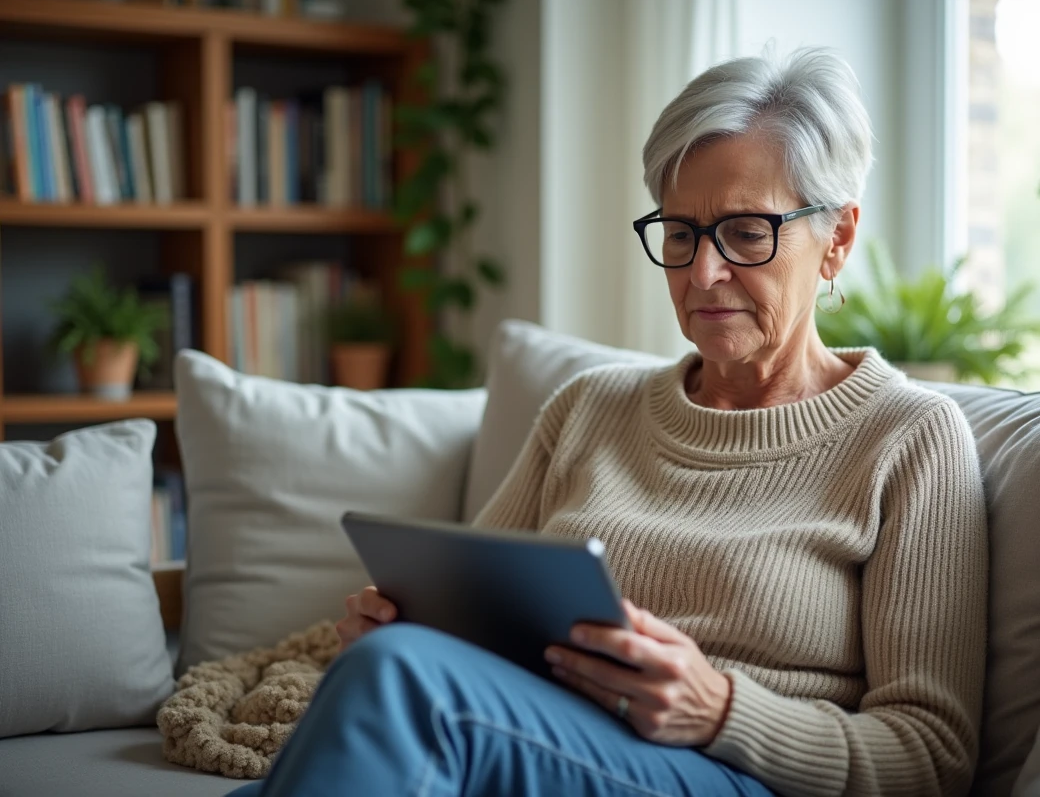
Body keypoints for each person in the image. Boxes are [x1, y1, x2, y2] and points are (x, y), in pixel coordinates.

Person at [228, 47, 988, 797]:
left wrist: (721, 709)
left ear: (839, 239)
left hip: (737, 774)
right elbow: (466, 612)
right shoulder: (589, 407)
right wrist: (406, 624)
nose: (702, 273)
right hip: (537, 742)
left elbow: (931, 757)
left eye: (747, 233)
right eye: (682, 233)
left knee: (399, 687)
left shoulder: (910, 437)